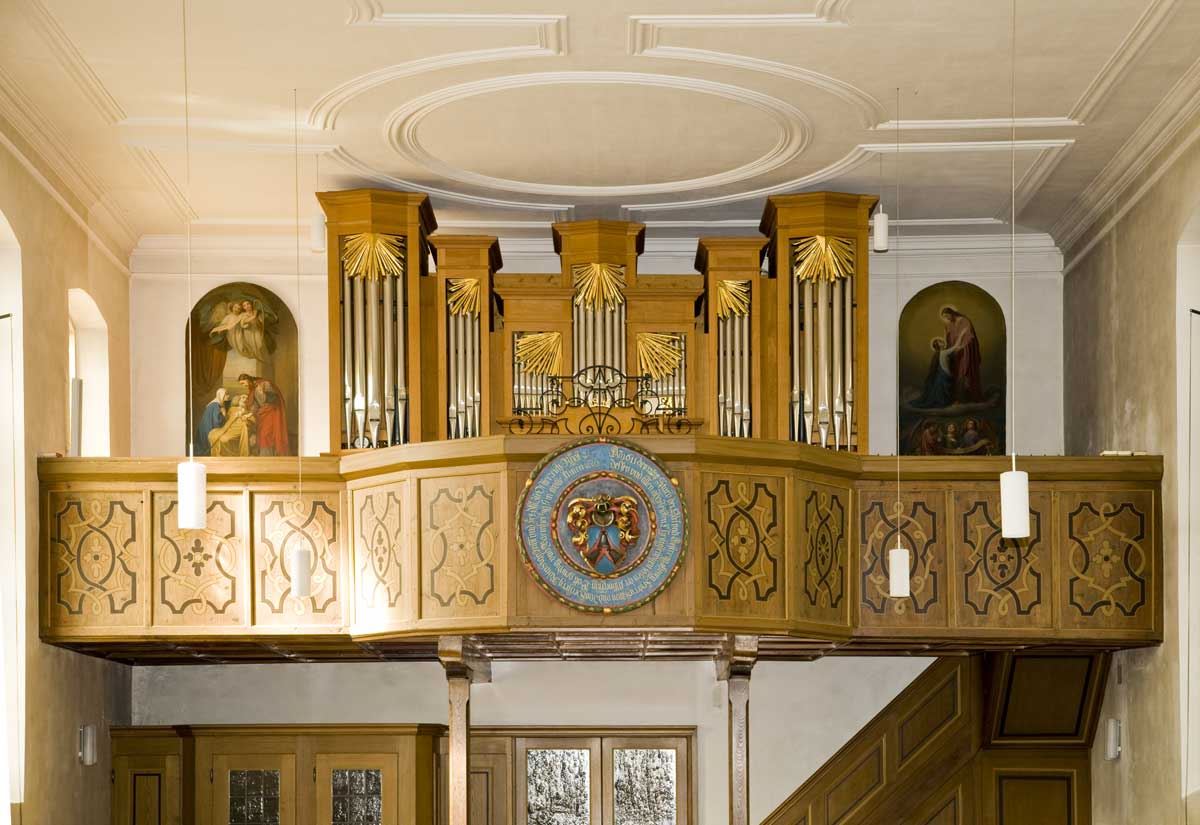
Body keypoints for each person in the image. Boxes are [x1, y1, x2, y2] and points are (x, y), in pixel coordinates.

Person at [939, 305, 983, 403]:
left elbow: (970, 337)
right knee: (955, 372)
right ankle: (958, 397)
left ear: (951, 313)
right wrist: (946, 339)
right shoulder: (949, 323)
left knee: (964, 372)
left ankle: (967, 397)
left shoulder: (964, 321)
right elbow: (948, 336)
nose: (947, 319)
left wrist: (960, 346)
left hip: (966, 351)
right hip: (956, 353)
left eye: (947, 316)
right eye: (945, 317)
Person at [238, 373, 289, 455]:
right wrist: (248, 415)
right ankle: (264, 457)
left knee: (266, 435)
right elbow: (256, 405)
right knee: (262, 436)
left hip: (271, 413)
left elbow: (274, 399)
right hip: (262, 415)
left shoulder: (265, 383)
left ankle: (268, 457)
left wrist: (263, 394)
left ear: (247, 380)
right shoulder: (253, 388)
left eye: (243, 383)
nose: (244, 385)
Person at [911, 337, 955, 409]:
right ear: (938, 346)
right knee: (941, 390)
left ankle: (944, 401)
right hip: (942, 375)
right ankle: (942, 402)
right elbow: (935, 367)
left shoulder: (941, 352)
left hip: (943, 374)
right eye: (939, 342)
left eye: (941, 341)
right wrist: (962, 335)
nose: (942, 341)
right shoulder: (941, 353)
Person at [194, 388, 228, 456]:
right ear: (222, 395)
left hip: (206, 428)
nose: (228, 396)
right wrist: (224, 415)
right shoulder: (216, 405)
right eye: (226, 394)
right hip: (208, 430)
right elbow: (217, 421)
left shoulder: (214, 404)